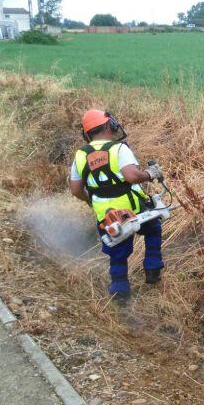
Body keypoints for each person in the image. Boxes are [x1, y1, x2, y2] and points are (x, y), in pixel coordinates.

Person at [69, 109, 164, 299]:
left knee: (117, 252)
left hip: (107, 216)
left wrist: (91, 201)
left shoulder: (80, 155)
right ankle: (153, 268)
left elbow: (76, 189)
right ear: (108, 126)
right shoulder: (118, 149)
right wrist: (150, 174)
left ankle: (119, 289)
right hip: (135, 209)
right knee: (153, 229)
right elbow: (132, 176)